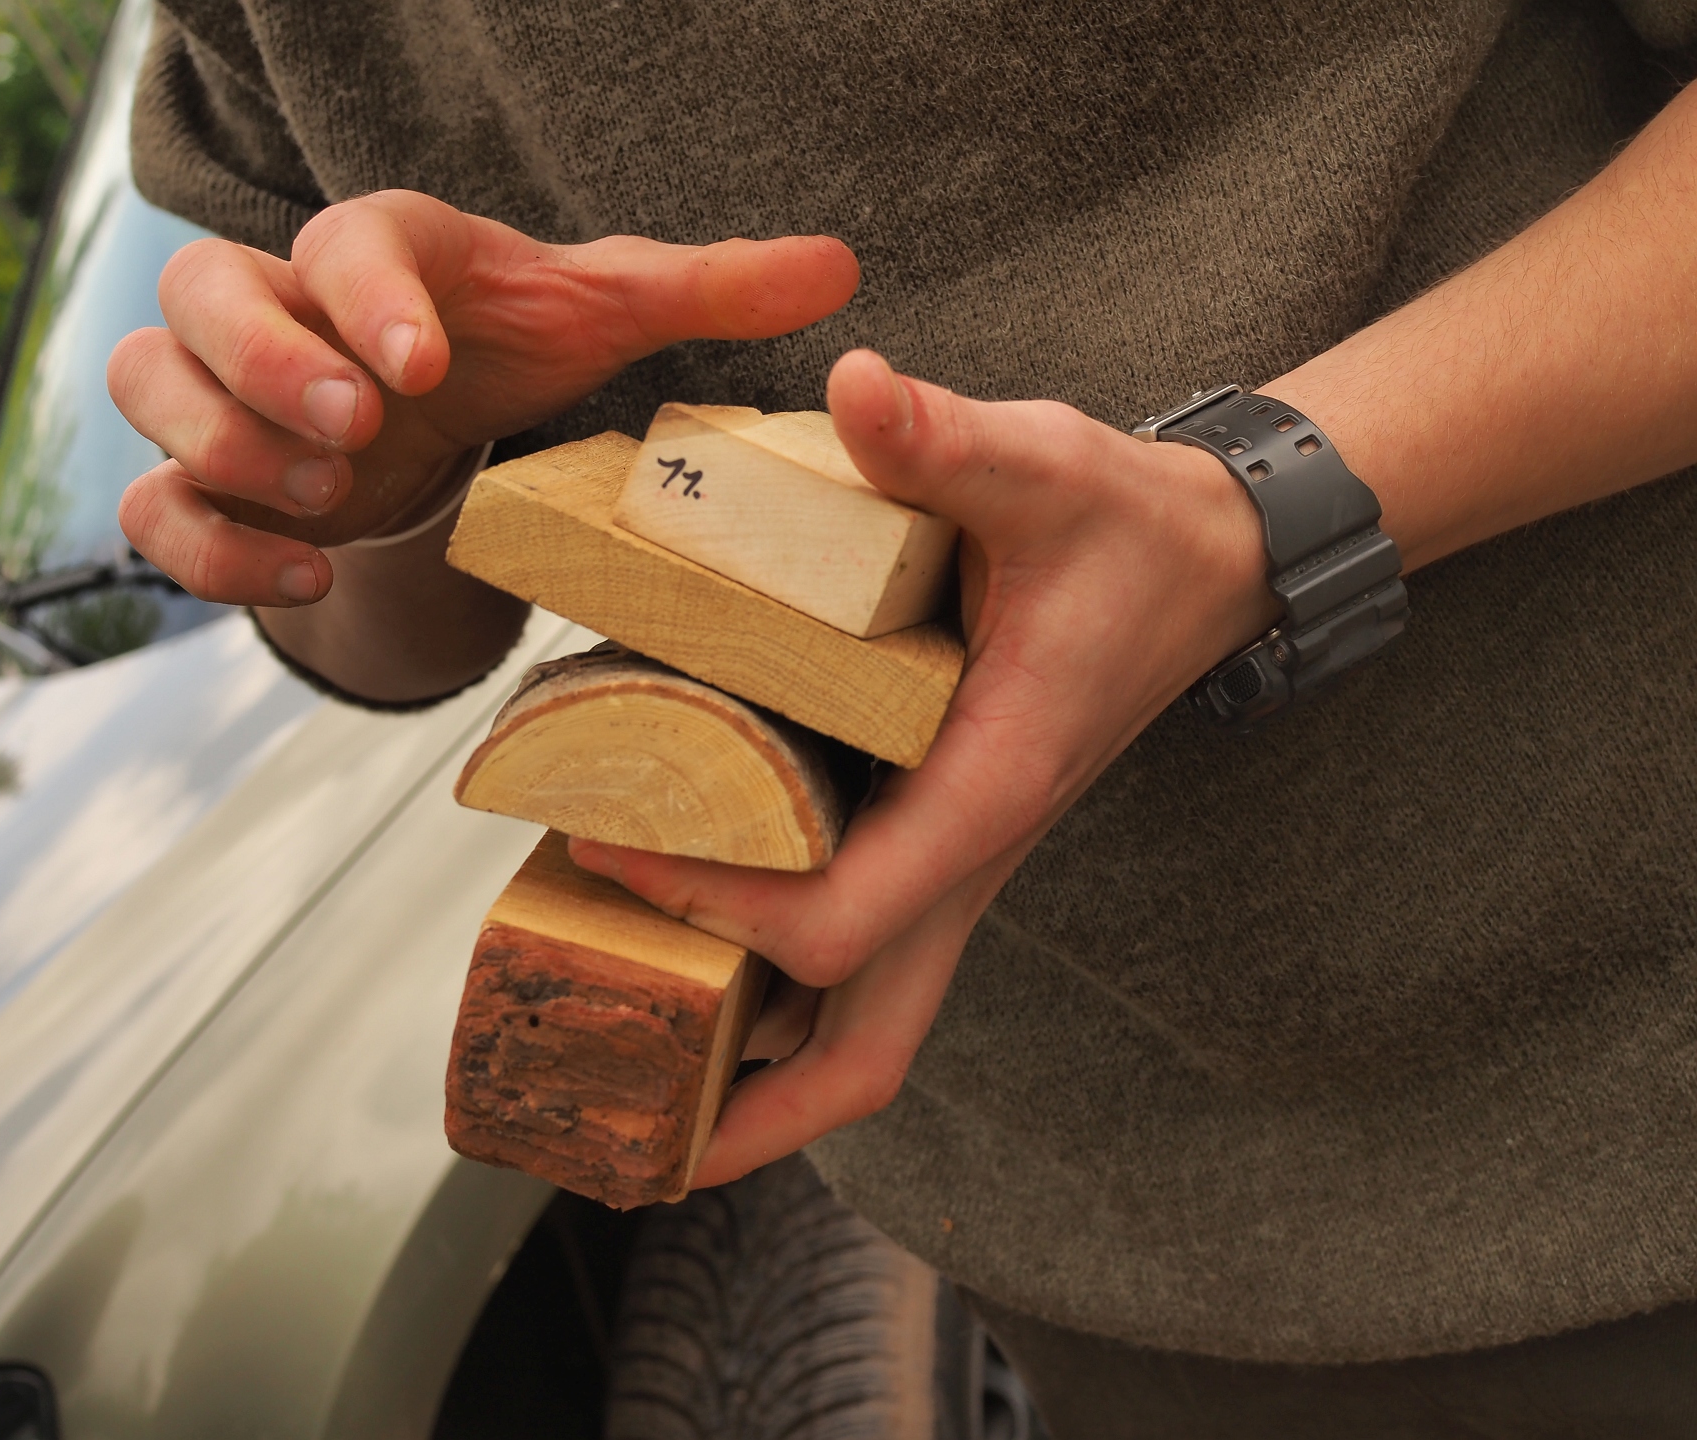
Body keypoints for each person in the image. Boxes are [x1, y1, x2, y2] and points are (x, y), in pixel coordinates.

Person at [109, 0, 1697, 1428]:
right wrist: (362, 468)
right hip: (1071, 1228)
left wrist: (1248, 520)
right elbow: (382, 636)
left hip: (1625, 1079)